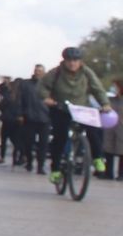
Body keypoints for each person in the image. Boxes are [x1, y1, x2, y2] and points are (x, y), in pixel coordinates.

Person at [40, 47, 113, 181]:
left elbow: (98, 89)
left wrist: (105, 104)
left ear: (80, 61)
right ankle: (56, 169)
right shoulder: (55, 72)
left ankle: (98, 158)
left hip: (82, 108)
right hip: (61, 107)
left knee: (95, 130)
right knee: (60, 137)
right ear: (64, 61)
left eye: (75, 60)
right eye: (69, 60)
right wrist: (46, 98)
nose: (72, 63)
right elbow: (42, 87)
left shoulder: (87, 72)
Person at [15, 64, 51, 173]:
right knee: (29, 143)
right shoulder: (25, 84)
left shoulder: (49, 85)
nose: (38, 72)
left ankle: (41, 166)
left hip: (45, 118)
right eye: (36, 70)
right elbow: (19, 99)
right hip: (29, 117)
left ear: (44, 72)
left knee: (43, 144)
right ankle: (29, 162)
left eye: (40, 71)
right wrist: (20, 114)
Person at [0, 78, 20, 165]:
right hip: (16, 120)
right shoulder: (19, 96)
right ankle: (15, 158)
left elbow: (1, 106)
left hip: (7, 119)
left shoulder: (7, 95)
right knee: (16, 140)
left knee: (4, 139)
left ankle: (2, 157)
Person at [103, 78, 123, 180]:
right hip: (110, 128)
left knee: (121, 151)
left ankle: (121, 174)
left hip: (121, 128)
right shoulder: (111, 100)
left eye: (116, 86)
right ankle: (108, 173)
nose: (114, 88)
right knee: (108, 150)